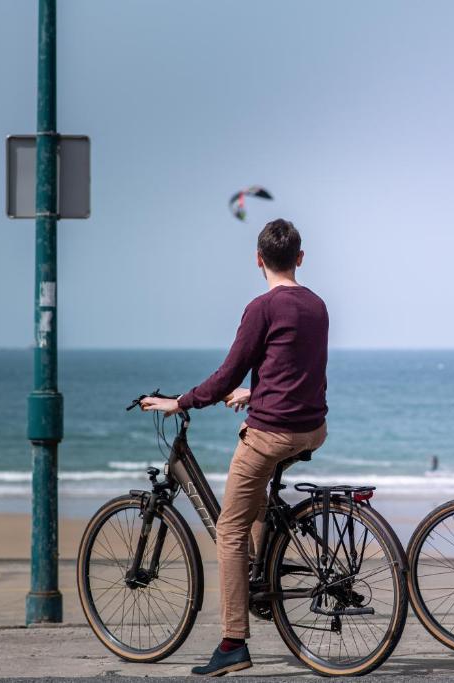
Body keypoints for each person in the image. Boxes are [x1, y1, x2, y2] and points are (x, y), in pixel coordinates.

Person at [140, 219, 328, 676]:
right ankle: (264, 582)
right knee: (256, 505)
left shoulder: (261, 308)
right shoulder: (317, 305)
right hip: (313, 427)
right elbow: (294, 366)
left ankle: (232, 643)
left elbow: (228, 373)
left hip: (271, 433)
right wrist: (256, 392)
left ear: (258, 259)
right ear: (300, 258)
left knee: (229, 530)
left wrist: (180, 402)